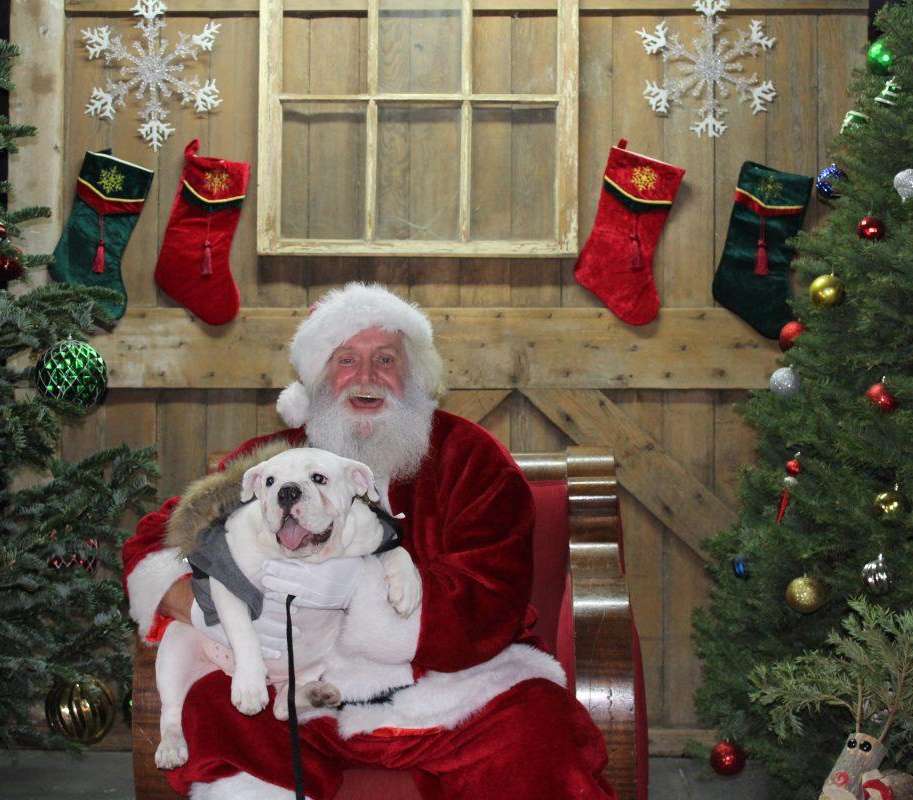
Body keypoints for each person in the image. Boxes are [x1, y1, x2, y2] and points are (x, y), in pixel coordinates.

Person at [122, 283, 614, 800]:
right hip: (295, 687)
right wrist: (197, 606)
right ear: (318, 380)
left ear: (414, 375)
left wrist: (362, 592)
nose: (366, 377)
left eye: (385, 359)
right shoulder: (271, 461)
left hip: (451, 686)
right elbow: (161, 535)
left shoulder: (470, 457)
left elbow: (493, 594)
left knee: (537, 734)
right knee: (218, 712)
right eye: (346, 360)